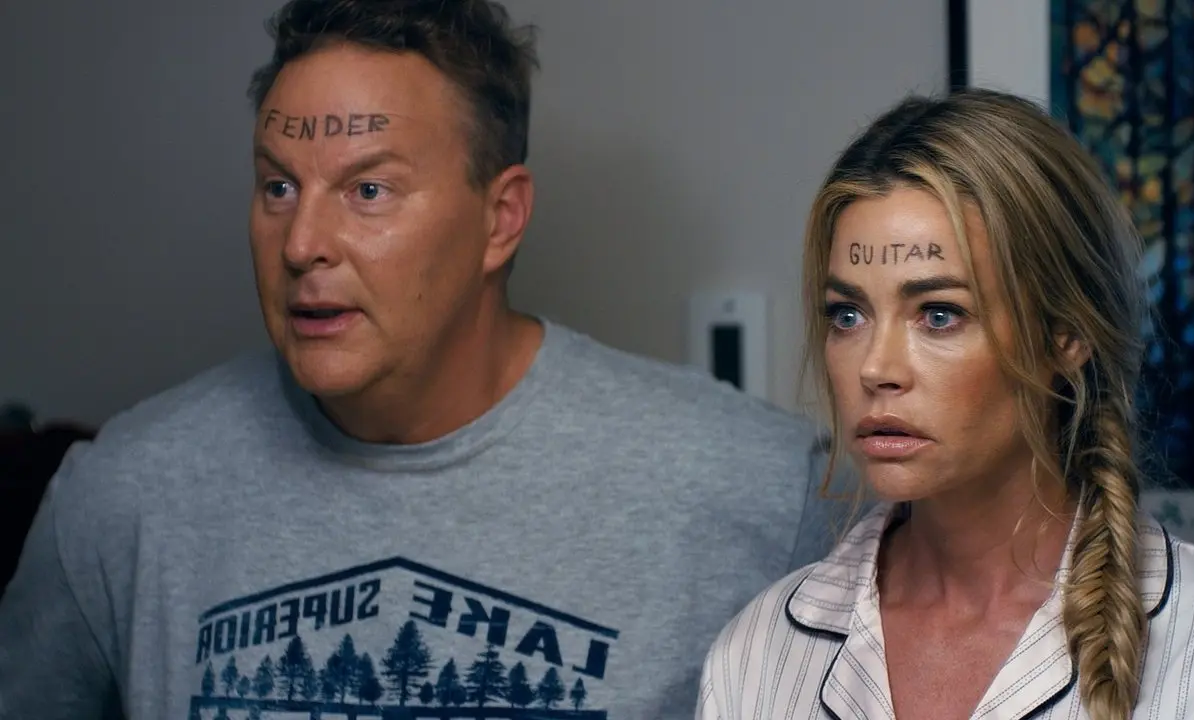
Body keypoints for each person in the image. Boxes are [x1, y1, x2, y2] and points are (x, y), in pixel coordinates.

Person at [0, 1, 846, 718]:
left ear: (500, 218)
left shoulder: (761, 500)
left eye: (368, 190)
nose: (301, 243)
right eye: (279, 187)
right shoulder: (121, 501)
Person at [696, 88, 1194, 720]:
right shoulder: (759, 655)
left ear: (1066, 335)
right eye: (848, 314)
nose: (875, 368)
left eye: (938, 314)